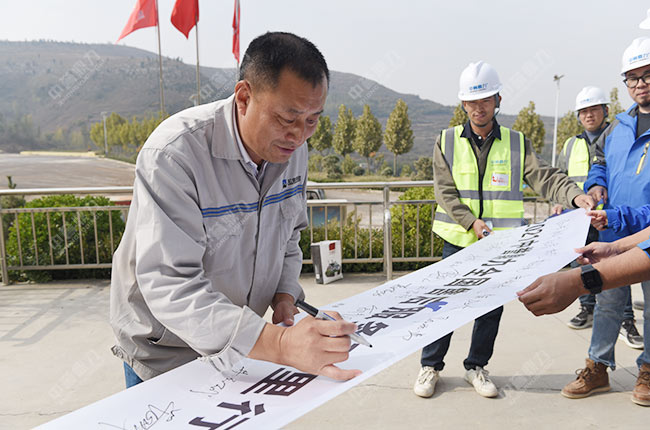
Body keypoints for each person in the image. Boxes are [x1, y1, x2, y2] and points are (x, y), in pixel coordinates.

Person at [109, 32, 361, 387]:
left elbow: (289, 234)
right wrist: (282, 344)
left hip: (243, 346)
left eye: (312, 120)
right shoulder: (174, 155)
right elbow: (170, 282)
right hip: (167, 352)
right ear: (244, 97)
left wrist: (284, 293)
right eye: (287, 118)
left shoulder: (292, 150)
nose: (299, 135)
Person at [413, 60, 596, 399]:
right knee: (446, 305)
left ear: (498, 100)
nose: (478, 108)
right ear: (463, 104)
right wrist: (471, 223)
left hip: (499, 244)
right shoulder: (446, 141)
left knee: (490, 308)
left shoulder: (516, 142)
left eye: (485, 100)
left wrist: (575, 196)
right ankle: (431, 366)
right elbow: (444, 192)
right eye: (472, 101)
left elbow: (545, 177)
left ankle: (476, 367)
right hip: (458, 239)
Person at [557, 37, 650, 401]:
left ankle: (647, 370)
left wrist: (614, 215)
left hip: (643, 234)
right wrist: (596, 186)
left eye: (647, 75)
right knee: (607, 301)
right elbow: (600, 163)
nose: (640, 84)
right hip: (612, 232)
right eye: (633, 77)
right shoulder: (619, 127)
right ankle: (597, 367)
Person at [517, 225, 650, 406]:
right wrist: (617, 247)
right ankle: (598, 366)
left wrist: (578, 282)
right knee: (606, 307)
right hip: (619, 237)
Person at [554, 86, 613, 330]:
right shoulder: (570, 145)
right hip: (579, 217)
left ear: (605, 110)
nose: (589, 115)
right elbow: (561, 178)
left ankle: (625, 317)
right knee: (582, 263)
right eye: (583, 111)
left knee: (614, 265)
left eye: (594, 109)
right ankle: (586, 308)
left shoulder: (616, 139)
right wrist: (559, 202)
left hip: (609, 216)